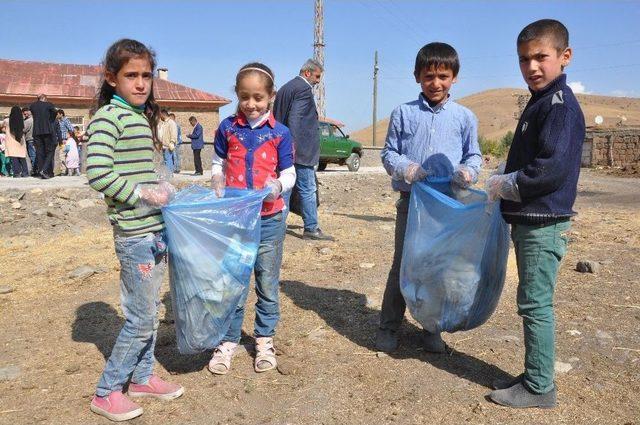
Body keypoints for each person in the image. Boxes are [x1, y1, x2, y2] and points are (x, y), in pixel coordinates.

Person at [486, 19, 585, 409]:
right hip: (531, 220)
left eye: (541, 57)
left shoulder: (559, 106)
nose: (532, 66)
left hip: (543, 223)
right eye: (524, 59)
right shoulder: (541, 100)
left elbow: (551, 167)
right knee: (532, 300)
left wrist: (507, 184)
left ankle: (540, 387)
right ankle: (535, 373)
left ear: (565, 57)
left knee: (535, 303)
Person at [85, 38, 183, 422]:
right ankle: (107, 391)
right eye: (131, 76)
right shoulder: (109, 117)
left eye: (146, 75)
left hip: (152, 230)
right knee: (141, 318)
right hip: (134, 236)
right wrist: (144, 193)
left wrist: (162, 187)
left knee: (150, 311)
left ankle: (142, 378)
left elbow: (140, 169)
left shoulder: (138, 116)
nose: (141, 83)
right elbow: (99, 173)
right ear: (112, 78)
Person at [376, 42, 482, 354]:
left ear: (454, 78)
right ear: (417, 77)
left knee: (438, 267)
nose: (435, 83)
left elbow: (474, 156)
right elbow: (388, 154)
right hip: (411, 205)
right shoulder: (403, 113)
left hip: (447, 208)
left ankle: (431, 327)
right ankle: (388, 326)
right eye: (428, 76)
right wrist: (405, 168)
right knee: (403, 266)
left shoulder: (464, 117)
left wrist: (468, 173)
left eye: (443, 76)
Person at [209, 62, 295, 375]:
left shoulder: (280, 133)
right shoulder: (227, 128)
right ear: (237, 95)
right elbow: (217, 160)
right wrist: (217, 177)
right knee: (233, 282)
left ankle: (264, 340)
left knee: (267, 282)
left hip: (270, 220)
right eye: (245, 97)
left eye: (258, 97)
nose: (251, 104)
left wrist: (278, 186)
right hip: (235, 219)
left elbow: (289, 173)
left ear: (270, 96)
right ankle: (228, 341)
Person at [273, 59, 333, 241]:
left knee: (285, 189)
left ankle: (276, 228)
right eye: (317, 76)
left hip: (283, 148)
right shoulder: (303, 89)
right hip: (299, 151)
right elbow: (296, 120)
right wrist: (294, 149)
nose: (317, 81)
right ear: (307, 73)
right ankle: (311, 228)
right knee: (307, 188)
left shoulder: (285, 88)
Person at [29, 93, 57, 179]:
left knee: (40, 152)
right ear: (44, 98)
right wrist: (50, 120)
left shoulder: (32, 105)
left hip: (36, 131)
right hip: (47, 131)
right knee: (50, 151)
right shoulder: (49, 104)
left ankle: (42, 172)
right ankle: (44, 170)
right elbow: (55, 112)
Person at [3, 106, 29, 178]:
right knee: (22, 157)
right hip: (20, 141)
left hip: (11, 141)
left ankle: (17, 173)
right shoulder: (22, 120)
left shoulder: (7, 120)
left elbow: (2, 126)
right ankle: (25, 173)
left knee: (14, 157)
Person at [157, 109, 177, 174]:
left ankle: (169, 175)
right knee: (166, 160)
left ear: (163, 114)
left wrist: (172, 142)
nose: (160, 117)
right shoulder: (164, 123)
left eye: (160, 115)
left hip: (168, 145)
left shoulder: (171, 123)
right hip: (164, 145)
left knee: (168, 160)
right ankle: (168, 175)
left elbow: (174, 133)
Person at [22, 107, 36, 174]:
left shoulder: (28, 121)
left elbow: (23, 130)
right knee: (34, 154)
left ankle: (34, 170)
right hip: (34, 139)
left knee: (32, 155)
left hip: (30, 139)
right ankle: (35, 169)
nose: (25, 114)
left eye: (26, 112)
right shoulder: (34, 119)